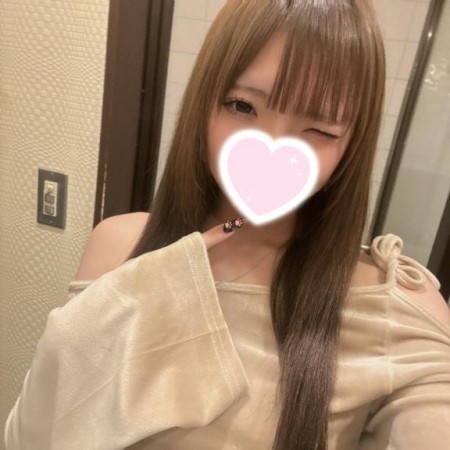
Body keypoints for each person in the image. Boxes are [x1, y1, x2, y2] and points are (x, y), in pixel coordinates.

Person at [5, 0, 450, 449]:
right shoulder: (119, 244)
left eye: (319, 130)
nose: (270, 147)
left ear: (351, 145)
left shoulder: (394, 310)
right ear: (204, 103)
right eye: (242, 106)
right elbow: (37, 433)